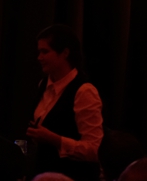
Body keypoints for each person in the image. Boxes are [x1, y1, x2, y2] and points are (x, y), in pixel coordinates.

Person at [26, 25, 103, 181]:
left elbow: (95, 149)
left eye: (45, 52)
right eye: (39, 52)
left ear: (65, 53)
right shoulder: (43, 84)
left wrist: (55, 139)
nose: (39, 57)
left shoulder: (84, 91)